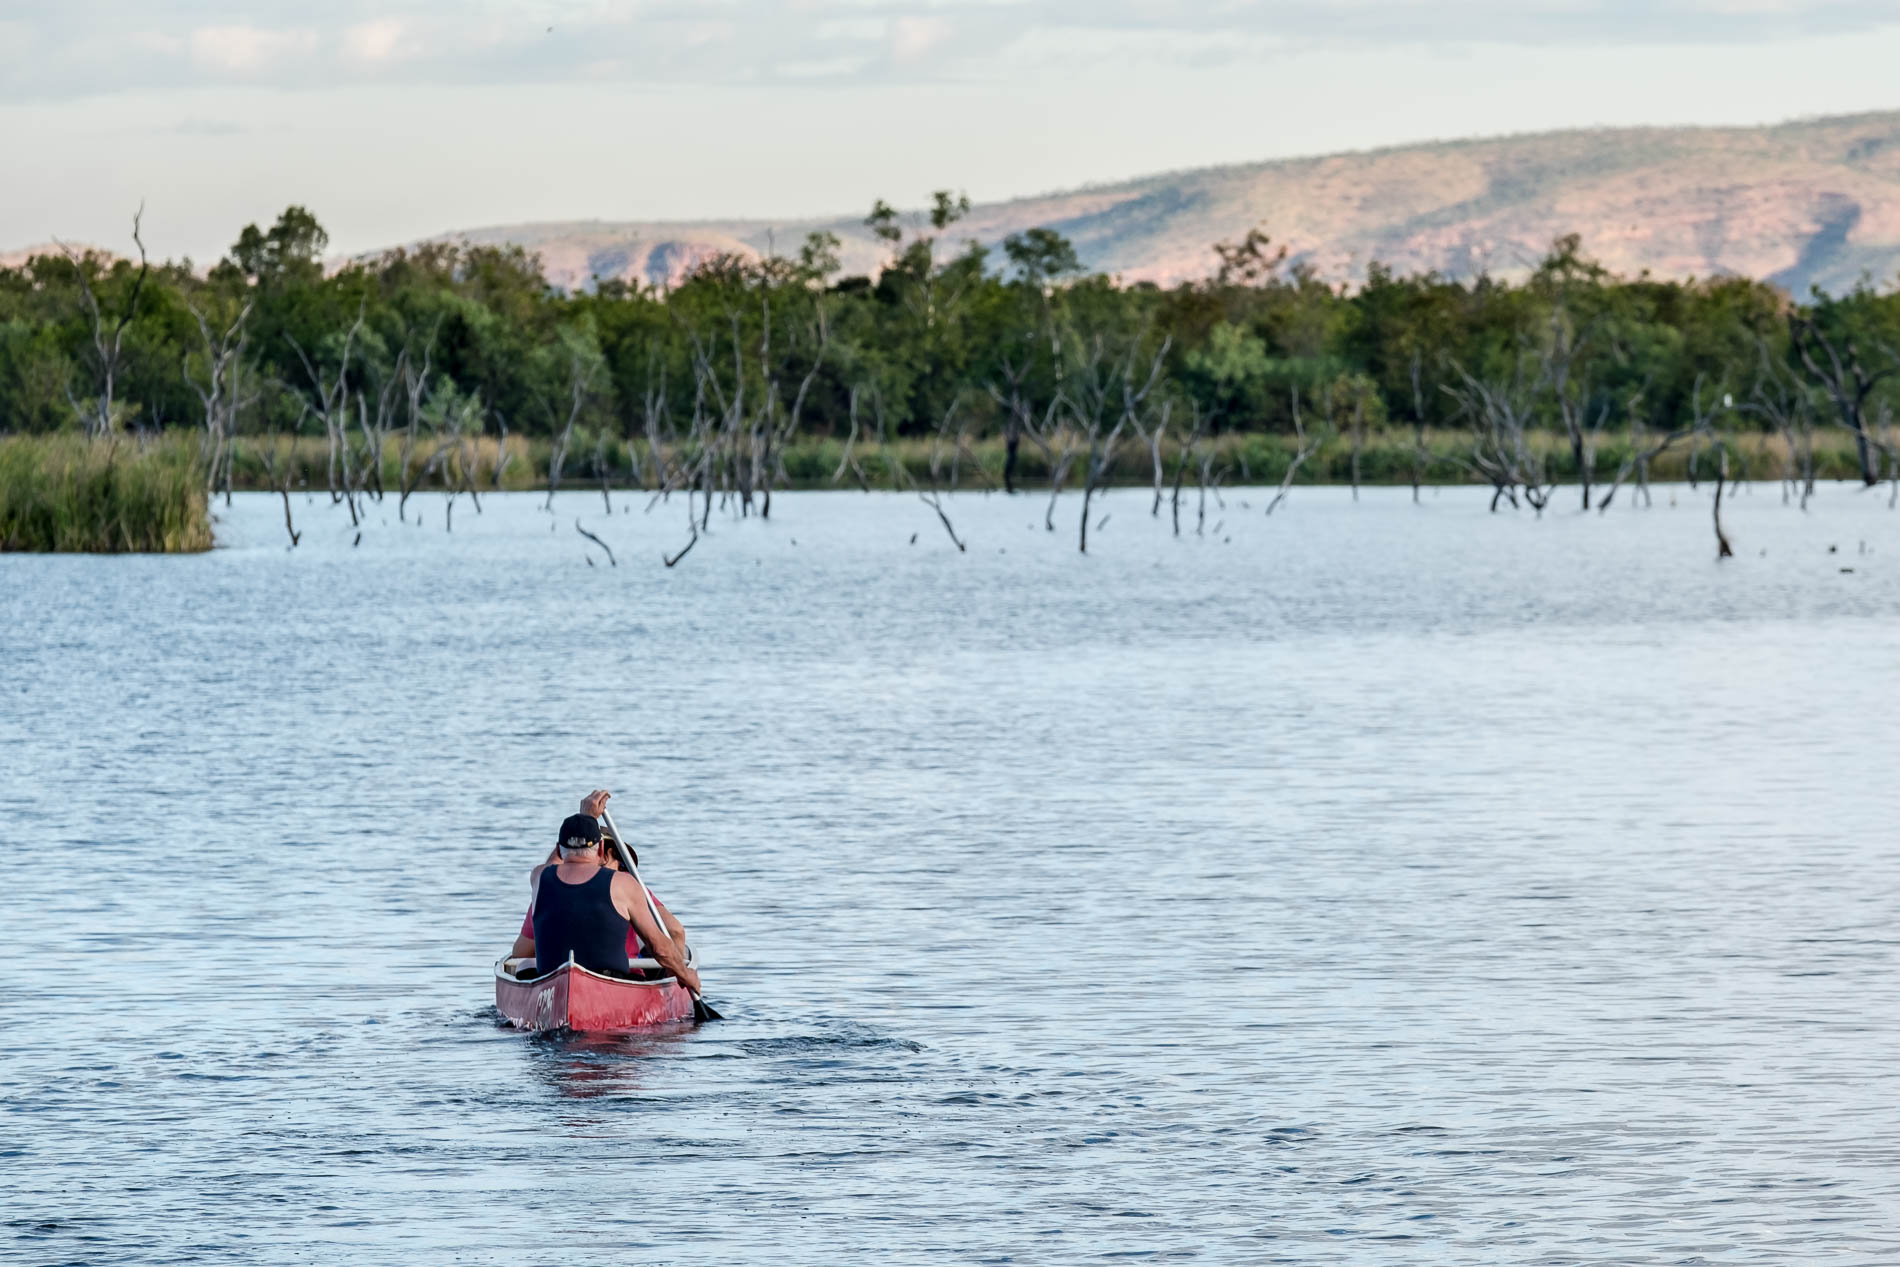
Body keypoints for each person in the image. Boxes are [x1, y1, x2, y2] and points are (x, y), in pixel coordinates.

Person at [522, 791, 702, 994]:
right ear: (600, 851)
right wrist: (686, 976)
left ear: (558, 849)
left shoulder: (539, 878)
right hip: (612, 983)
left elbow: (552, 864)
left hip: (553, 983)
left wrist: (585, 820)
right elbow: (659, 947)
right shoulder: (624, 883)